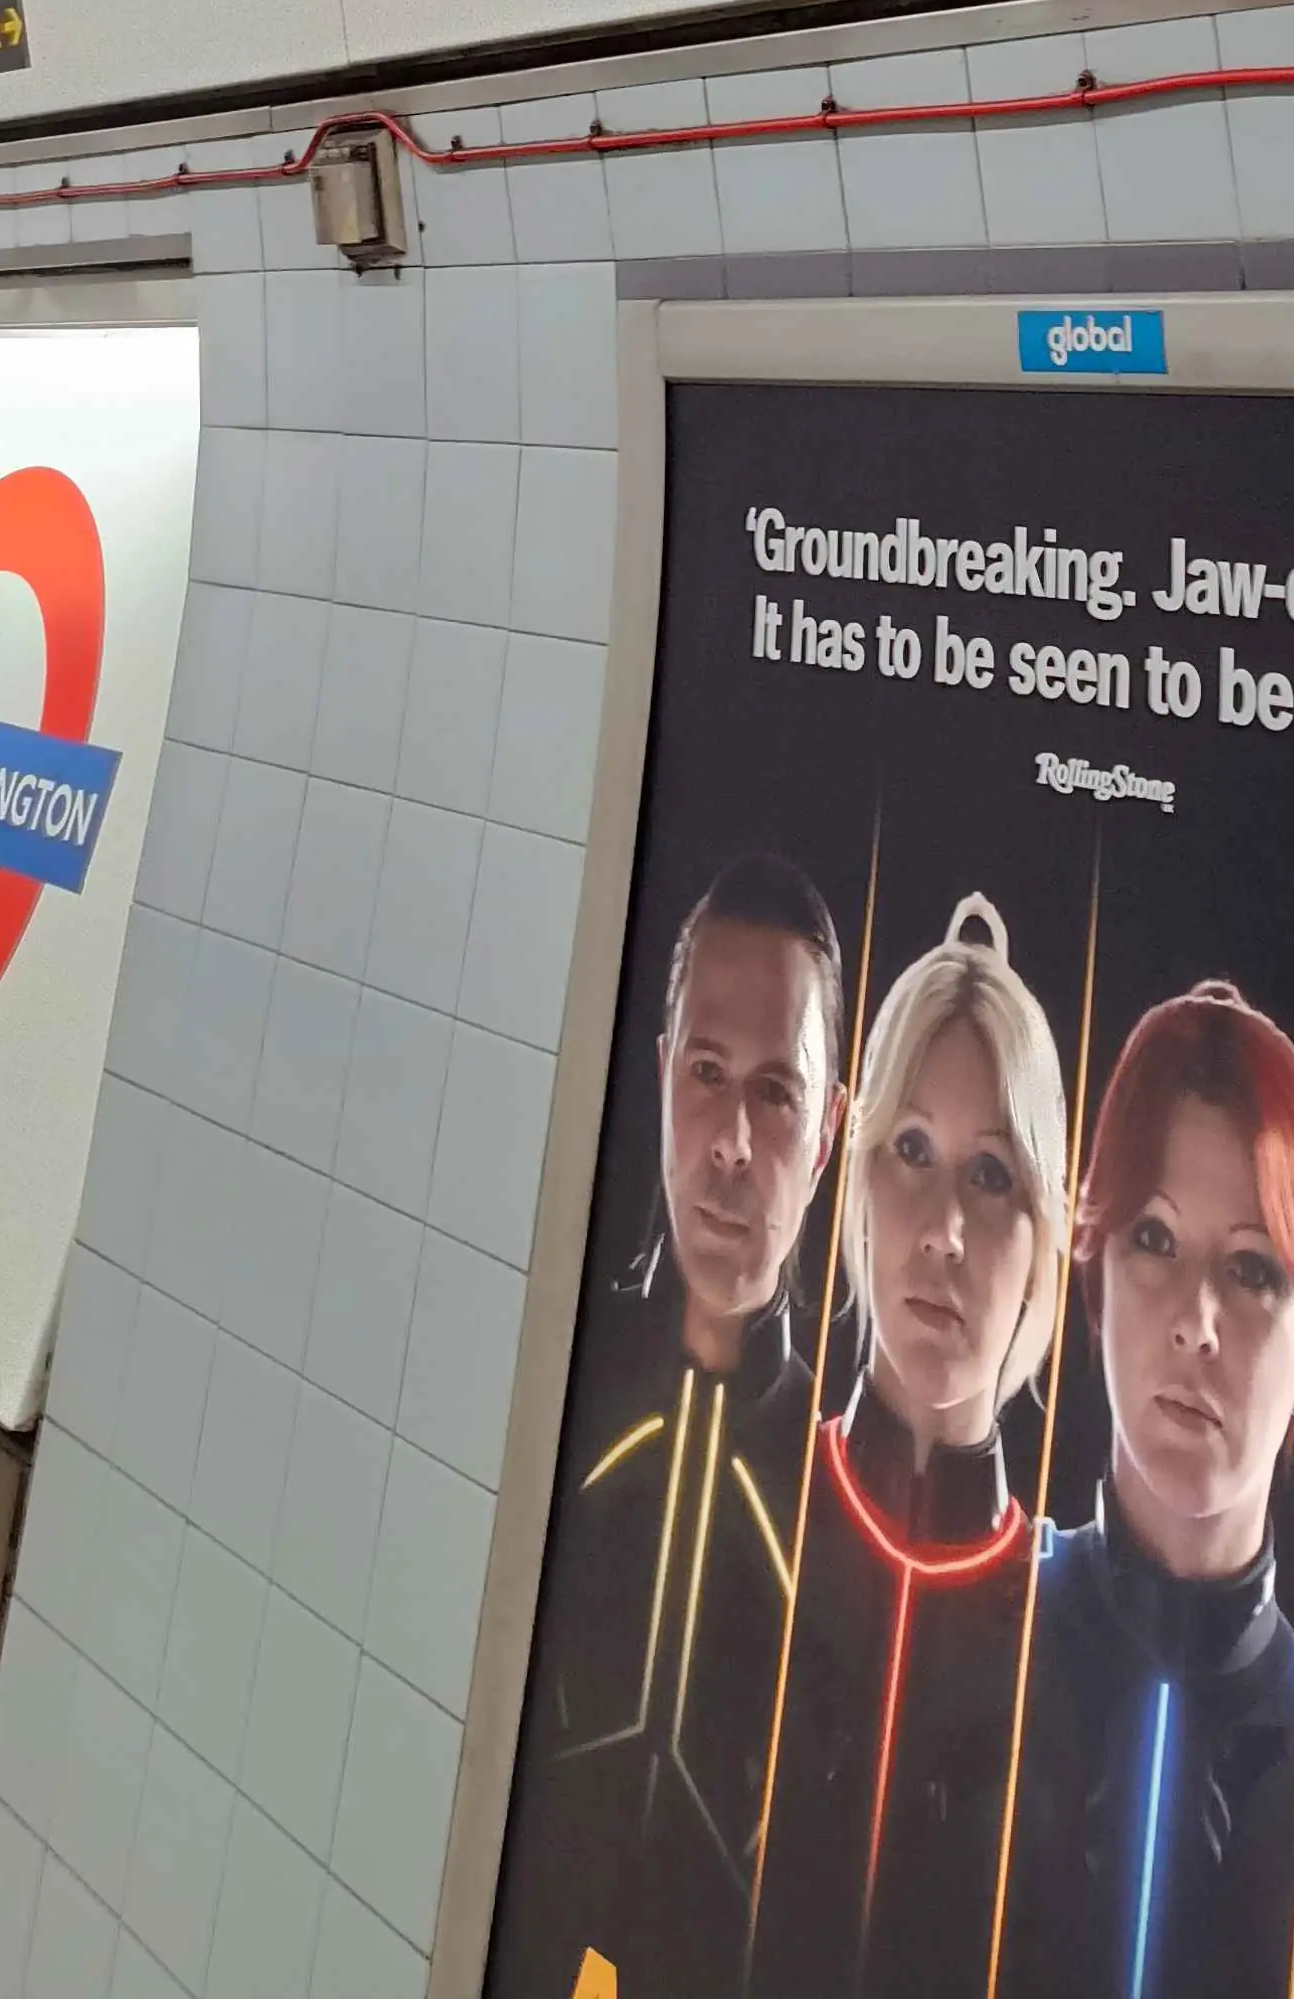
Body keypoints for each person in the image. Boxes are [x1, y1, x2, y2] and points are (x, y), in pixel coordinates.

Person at [494, 854, 847, 1999]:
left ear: (832, 1127)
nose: (734, 1144)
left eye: (777, 1091)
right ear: (660, 1076)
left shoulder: (855, 1498)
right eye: (707, 1072)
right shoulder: (547, 1382)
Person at [1002, 982, 1294, 1999]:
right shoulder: (969, 1623)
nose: (1198, 1317)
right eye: (1154, 1238)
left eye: (1251, 1268)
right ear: (1095, 1284)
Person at [753, 893, 1070, 1999]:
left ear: (1048, 1230)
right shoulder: (749, 1508)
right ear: (858, 1173)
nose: (944, 1232)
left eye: (990, 1174)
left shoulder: (1075, 1630)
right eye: (913, 1151)